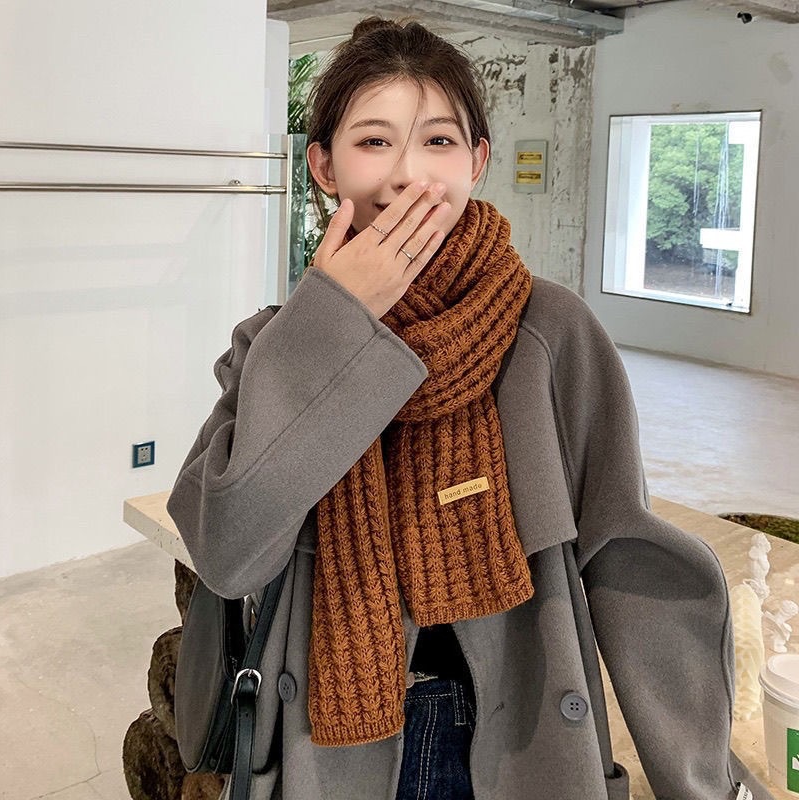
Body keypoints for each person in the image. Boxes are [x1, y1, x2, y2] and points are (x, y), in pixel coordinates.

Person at [167, 16, 772, 800]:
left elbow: (628, 557)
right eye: (374, 141)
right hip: (329, 750)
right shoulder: (274, 345)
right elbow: (227, 552)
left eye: (439, 142)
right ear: (324, 166)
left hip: (515, 742)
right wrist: (331, 327)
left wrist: (702, 781)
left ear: (478, 161)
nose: (408, 176)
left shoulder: (548, 332)